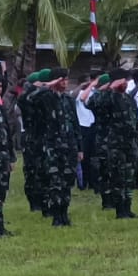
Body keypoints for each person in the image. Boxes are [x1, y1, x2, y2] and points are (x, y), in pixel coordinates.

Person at [88, 70, 138, 218]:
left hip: (130, 143)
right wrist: (110, 88)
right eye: (122, 81)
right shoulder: (108, 98)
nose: (124, 83)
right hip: (116, 144)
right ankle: (120, 210)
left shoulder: (128, 99)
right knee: (118, 177)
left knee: (129, 178)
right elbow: (91, 103)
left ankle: (128, 207)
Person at [41, 69, 80, 225]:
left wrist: (79, 147)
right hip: (52, 147)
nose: (64, 83)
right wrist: (48, 85)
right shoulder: (46, 98)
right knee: (55, 182)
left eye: (66, 80)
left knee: (67, 181)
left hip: (69, 146)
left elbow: (75, 124)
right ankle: (56, 215)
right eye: (61, 80)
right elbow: (28, 98)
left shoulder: (68, 100)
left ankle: (64, 213)